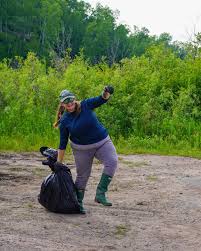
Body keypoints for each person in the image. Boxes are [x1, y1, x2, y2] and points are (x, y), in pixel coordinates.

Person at [54, 86, 118, 214]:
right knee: (83, 175)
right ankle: (78, 202)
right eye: (66, 101)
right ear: (62, 104)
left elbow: (102, 99)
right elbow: (62, 144)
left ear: (74, 99)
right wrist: (59, 163)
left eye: (71, 100)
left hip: (102, 142)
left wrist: (106, 92)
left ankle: (100, 193)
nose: (70, 103)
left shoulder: (86, 104)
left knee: (112, 162)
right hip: (81, 149)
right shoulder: (65, 121)